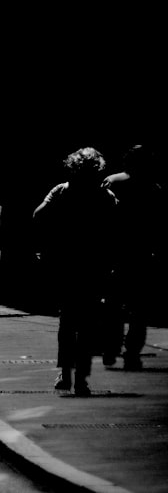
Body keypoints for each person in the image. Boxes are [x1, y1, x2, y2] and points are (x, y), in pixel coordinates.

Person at [33, 146, 118, 396]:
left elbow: (38, 215)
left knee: (67, 322)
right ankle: (82, 378)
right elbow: (115, 232)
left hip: (65, 264)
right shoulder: (106, 196)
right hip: (94, 265)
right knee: (88, 323)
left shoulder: (61, 190)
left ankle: (66, 374)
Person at [101, 145, 164, 370]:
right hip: (142, 254)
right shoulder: (154, 188)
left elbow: (101, 217)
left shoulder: (112, 182)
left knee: (113, 305)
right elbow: (158, 226)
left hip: (114, 251)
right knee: (139, 308)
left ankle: (110, 346)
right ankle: (132, 351)